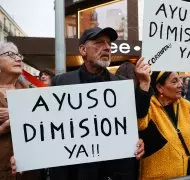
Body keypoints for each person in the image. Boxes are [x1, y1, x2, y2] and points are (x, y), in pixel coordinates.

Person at [49, 27, 145, 180]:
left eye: (109, 44)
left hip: (115, 171)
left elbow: (132, 120)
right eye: (99, 43)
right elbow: (48, 129)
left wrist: (136, 140)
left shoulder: (122, 84)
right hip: (77, 171)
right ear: (83, 50)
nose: (107, 47)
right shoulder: (61, 82)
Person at [136, 66, 190, 179]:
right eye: (174, 81)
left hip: (185, 176)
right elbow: (140, 123)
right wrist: (144, 85)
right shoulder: (149, 107)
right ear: (160, 87)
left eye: (180, 79)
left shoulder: (182, 104)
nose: (181, 84)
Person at [0, 41, 42, 180]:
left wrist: (17, 114)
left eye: (18, 55)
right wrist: (2, 129)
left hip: (30, 171)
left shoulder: (31, 91)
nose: (18, 58)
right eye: (10, 54)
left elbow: (48, 123)